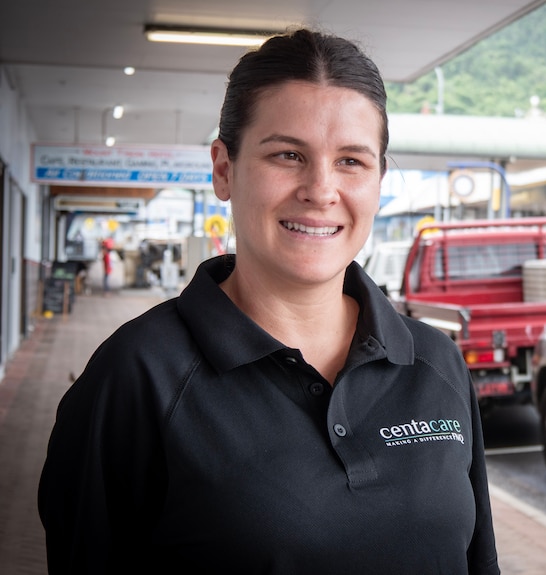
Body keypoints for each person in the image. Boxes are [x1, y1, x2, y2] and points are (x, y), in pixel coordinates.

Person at [38, 28, 500, 575]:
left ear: (378, 179)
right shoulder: (137, 377)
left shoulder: (434, 364)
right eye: (287, 154)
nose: (321, 190)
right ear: (224, 169)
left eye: (352, 161)